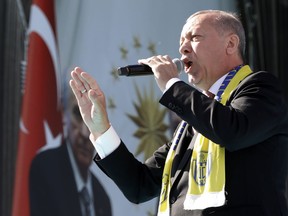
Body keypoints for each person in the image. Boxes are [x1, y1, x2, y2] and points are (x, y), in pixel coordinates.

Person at [69, 10, 288, 216]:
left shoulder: (260, 88)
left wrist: (172, 85)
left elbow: (232, 131)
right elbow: (139, 186)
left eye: (194, 37)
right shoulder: (193, 123)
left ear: (231, 43)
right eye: (181, 42)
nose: (183, 48)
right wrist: (100, 128)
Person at [29, 89, 112, 216]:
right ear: (64, 115)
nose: (85, 133)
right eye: (78, 115)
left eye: (93, 121)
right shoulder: (45, 169)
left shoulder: (102, 198)